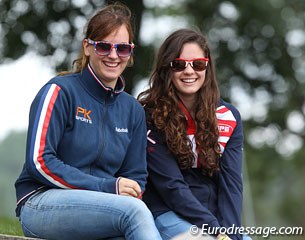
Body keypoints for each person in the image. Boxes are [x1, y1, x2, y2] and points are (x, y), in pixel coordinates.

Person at [14, 3, 162, 240]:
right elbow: (39, 161)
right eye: (104, 46)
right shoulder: (59, 91)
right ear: (87, 47)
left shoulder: (133, 110)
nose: (113, 55)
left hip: (103, 209)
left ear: (130, 52)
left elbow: (135, 177)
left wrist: (124, 190)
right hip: (41, 202)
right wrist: (107, 187)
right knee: (135, 213)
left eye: (122, 48)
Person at [138, 28, 245, 240]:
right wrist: (216, 232)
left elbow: (231, 186)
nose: (189, 71)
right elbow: (171, 186)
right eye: (179, 64)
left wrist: (231, 234)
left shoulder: (229, 116)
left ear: (207, 67)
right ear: (167, 69)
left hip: (214, 219)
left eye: (197, 64)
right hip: (167, 212)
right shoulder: (149, 116)